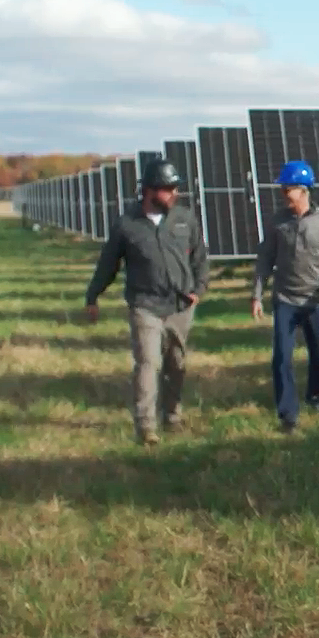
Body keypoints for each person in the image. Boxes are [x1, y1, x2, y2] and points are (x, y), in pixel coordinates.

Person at [84, 159, 208, 446]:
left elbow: (200, 259)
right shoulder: (127, 225)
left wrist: (198, 290)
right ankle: (146, 426)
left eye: (175, 188)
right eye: (168, 189)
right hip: (145, 304)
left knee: (176, 363)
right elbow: (107, 265)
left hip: (180, 305)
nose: (174, 194)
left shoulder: (184, 219)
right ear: (150, 191)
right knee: (148, 363)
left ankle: (172, 415)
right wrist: (93, 296)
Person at [251, 160, 319, 433]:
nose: (283, 194)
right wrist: (257, 295)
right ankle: (287, 414)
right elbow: (265, 259)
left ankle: (316, 398)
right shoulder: (276, 222)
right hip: (285, 300)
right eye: (283, 189)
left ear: (304, 190)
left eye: (288, 189)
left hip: (316, 301)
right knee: (281, 358)